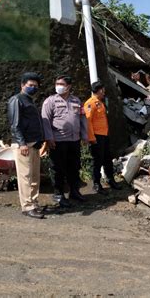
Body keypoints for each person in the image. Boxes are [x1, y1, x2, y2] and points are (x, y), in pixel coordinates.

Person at [41, 75, 88, 207]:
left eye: (61, 84)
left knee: (74, 167)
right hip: (58, 141)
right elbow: (45, 120)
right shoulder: (50, 101)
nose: (58, 86)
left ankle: (74, 191)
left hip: (74, 141)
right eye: (57, 83)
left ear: (69, 86)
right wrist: (49, 138)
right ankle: (58, 195)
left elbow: (83, 119)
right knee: (58, 168)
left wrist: (84, 136)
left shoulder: (76, 101)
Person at [7, 72, 45, 219]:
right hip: (24, 145)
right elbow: (14, 124)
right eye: (30, 85)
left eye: (36, 86)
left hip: (35, 144)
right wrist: (21, 143)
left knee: (35, 176)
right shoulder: (16, 100)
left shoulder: (29, 100)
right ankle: (27, 206)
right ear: (23, 85)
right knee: (25, 177)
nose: (33, 88)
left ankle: (34, 203)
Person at [84, 81, 122, 194]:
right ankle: (96, 183)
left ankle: (110, 180)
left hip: (104, 135)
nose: (104, 92)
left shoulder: (100, 103)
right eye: (103, 90)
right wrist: (92, 138)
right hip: (96, 137)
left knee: (107, 159)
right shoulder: (90, 103)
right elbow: (88, 122)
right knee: (97, 161)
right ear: (99, 90)